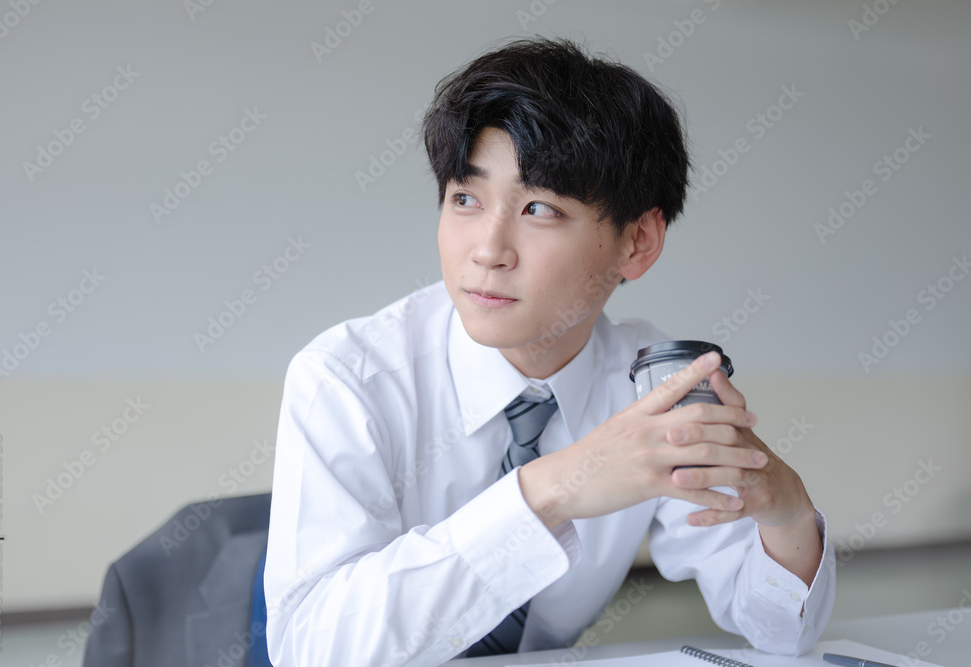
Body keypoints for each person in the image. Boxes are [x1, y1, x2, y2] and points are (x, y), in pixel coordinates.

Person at [263, 36, 835, 666]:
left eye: (538, 208)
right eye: (465, 199)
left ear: (638, 242)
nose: (488, 250)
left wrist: (787, 513)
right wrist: (550, 490)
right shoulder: (347, 377)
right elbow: (309, 652)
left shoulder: (650, 386)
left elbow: (781, 635)